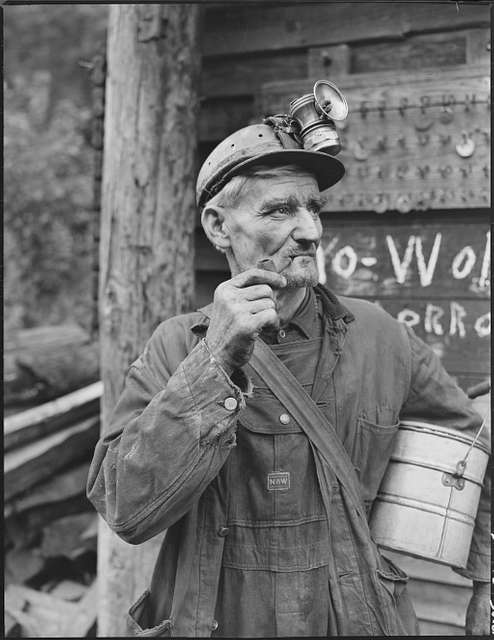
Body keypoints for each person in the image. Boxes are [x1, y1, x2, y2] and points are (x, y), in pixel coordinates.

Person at [87, 120, 490, 637]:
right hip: (217, 617)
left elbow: (472, 440)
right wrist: (214, 361)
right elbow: (127, 510)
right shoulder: (176, 346)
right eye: (280, 209)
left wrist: (486, 583)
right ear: (218, 226)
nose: (312, 232)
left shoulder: (381, 338)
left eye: (314, 208)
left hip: (351, 618)